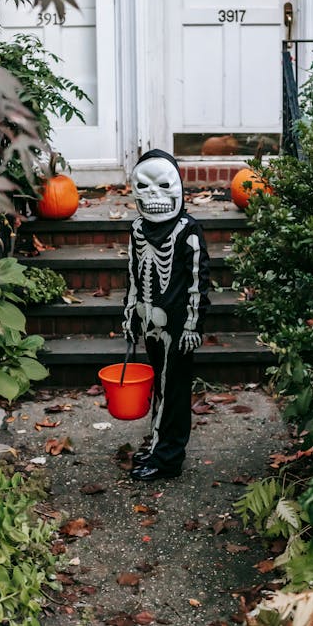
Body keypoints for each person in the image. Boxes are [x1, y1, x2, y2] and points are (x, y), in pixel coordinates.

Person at [122, 149, 210, 481]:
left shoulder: (188, 230)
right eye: (144, 187)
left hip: (177, 326)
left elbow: (199, 281)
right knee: (160, 385)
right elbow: (132, 275)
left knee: (173, 389)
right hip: (149, 320)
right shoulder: (137, 230)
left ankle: (169, 457)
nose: (154, 195)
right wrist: (131, 315)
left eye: (163, 185)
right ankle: (160, 445)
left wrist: (193, 324)